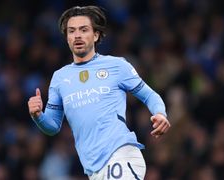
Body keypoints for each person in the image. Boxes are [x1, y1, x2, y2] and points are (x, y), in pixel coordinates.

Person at [28, 5, 171, 180]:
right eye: (72, 31)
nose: (77, 35)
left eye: (84, 29)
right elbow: (52, 126)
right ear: (67, 38)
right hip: (93, 169)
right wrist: (38, 116)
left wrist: (160, 113)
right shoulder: (59, 78)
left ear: (95, 35)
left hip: (120, 154)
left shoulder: (117, 66)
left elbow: (149, 95)